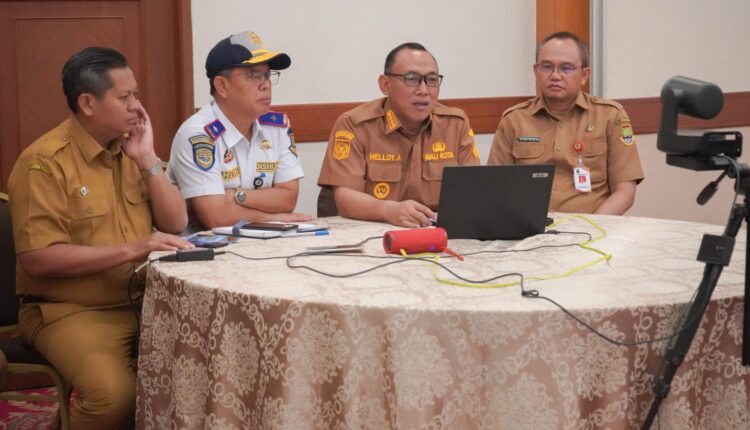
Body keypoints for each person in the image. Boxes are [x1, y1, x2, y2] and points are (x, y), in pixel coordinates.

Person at [8, 47, 192, 429]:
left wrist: (147, 159)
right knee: (113, 396)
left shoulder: (130, 152)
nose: (136, 106)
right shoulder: (44, 163)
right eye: (124, 97)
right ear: (87, 103)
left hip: (143, 301)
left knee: (197, 372)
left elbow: (176, 221)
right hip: (71, 309)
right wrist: (134, 248)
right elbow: (38, 257)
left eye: (136, 94)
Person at [317, 42, 480, 228]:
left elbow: (473, 192)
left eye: (432, 80)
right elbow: (345, 198)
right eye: (412, 79)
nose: (423, 90)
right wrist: (388, 211)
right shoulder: (355, 125)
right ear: (385, 84)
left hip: (437, 231)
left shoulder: (455, 124)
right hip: (373, 230)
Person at [167, 31, 311, 230]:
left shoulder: (277, 127)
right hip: (204, 244)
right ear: (222, 86)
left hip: (263, 240)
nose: (265, 84)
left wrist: (237, 196)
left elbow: (288, 198)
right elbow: (216, 217)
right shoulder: (198, 134)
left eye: (267, 75)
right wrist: (270, 217)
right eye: (253, 75)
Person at [487, 31, 644, 215]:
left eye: (566, 68)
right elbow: (495, 187)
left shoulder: (610, 116)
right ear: (535, 71)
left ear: (585, 75)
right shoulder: (514, 120)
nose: (555, 75)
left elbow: (625, 192)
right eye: (547, 67)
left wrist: (591, 226)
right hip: (528, 227)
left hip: (592, 226)